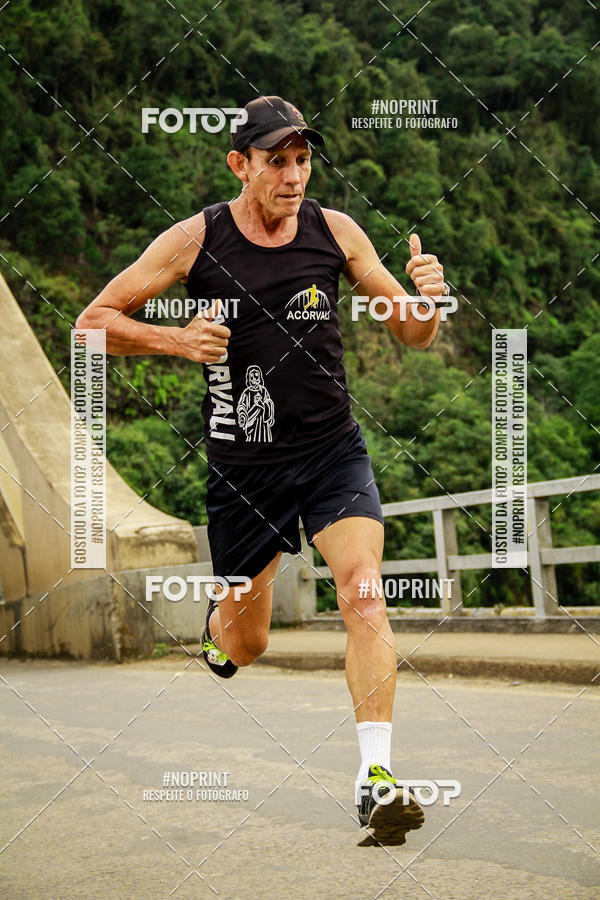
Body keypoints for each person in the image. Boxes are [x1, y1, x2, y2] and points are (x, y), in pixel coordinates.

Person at [76, 95, 447, 846]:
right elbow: (93, 323)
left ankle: (374, 781)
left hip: (332, 452)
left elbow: (410, 332)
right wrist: (175, 342)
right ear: (239, 164)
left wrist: (428, 300)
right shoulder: (195, 240)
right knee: (249, 645)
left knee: (365, 597)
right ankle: (219, 631)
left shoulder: (334, 232)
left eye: (303, 158)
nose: (293, 173)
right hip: (245, 470)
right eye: (276, 159)